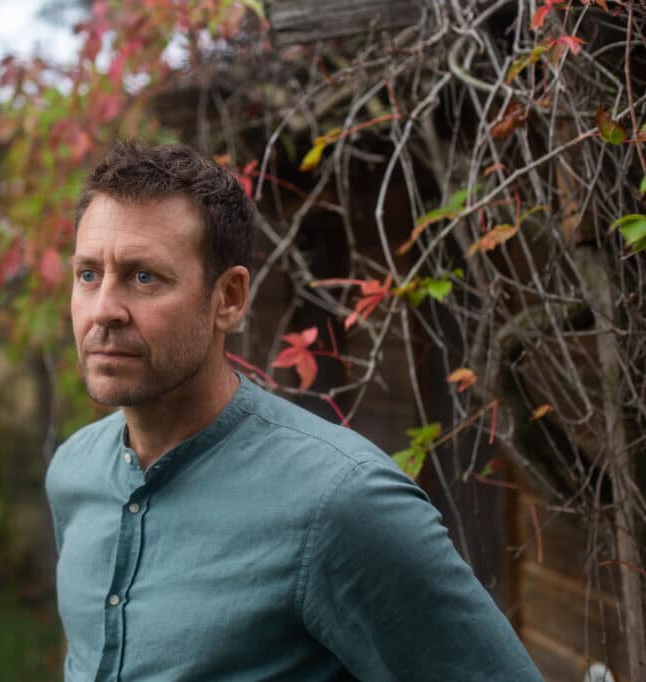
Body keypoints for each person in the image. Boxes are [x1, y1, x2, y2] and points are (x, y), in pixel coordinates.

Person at [45, 140, 543, 682]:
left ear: (229, 298)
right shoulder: (73, 474)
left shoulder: (342, 503)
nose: (103, 311)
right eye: (88, 275)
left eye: (144, 277)